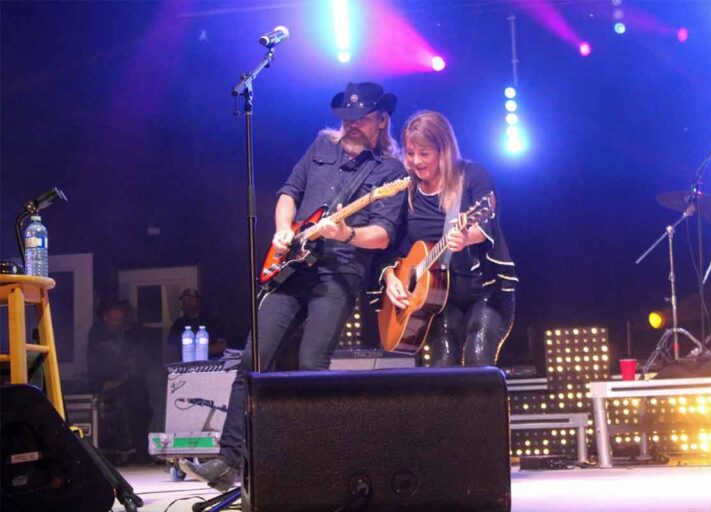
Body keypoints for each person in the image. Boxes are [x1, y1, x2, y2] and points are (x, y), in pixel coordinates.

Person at [182, 82, 406, 490]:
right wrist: (283, 230)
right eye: (346, 119)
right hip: (291, 266)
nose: (351, 126)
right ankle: (229, 460)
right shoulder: (321, 146)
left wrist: (345, 234)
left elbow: (384, 234)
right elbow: (289, 192)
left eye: (360, 119)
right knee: (253, 359)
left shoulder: (390, 172)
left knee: (311, 365)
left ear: (381, 120)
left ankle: (314, 461)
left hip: (339, 271)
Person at [381, 110, 517, 366]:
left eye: (424, 154)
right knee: (443, 365)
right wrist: (391, 278)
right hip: (438, 299)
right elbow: (388, 243)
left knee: (478, 357)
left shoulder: (473, 176)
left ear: (444, 150)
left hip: (485, 291)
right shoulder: (406, 189)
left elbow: (487, 221)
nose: (415, 162)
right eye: (410, 153)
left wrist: (467, 238)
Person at [87, 302, 153, 463]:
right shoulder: (97, 334)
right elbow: (95, 361)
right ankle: (114, 451)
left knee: (139, 407)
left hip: (128, 383)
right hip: (105, 383)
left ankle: (139, 450)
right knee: (114, 409)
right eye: (113, 320)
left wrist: (124, 378)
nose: (116, 323)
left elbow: (136, 362)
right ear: (105, 318)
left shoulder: (130, 334)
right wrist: (106, 383)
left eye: (120, 320)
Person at [166, 288, 228, 361]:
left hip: (209, 366)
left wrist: (201, 349)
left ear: (198, 301)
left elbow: (222, 346)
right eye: (184, 302)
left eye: (190, 300)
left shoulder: (212, 321)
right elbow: (170, 349)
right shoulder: (178, 324)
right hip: (183, 367)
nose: (186, 304)